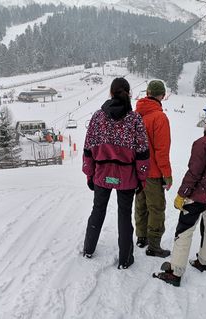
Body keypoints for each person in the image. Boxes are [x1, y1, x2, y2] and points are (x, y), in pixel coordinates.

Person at [153, 101, 206, 286]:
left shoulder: (204, 142)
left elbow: (194, 172)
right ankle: (205, 261)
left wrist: (182, 194)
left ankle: (175, 272)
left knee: (184, 231)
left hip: (198, 195)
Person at [82, 77, 150, 269]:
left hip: (102, 173)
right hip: (127, 175)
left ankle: (88, 249)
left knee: (98, 210)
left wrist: (90, 174)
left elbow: (88, 148)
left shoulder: (97, 117)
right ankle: (125, 258)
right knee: (124, 214)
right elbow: (142, 152)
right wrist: (142, 178)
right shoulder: (135, 119)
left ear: (111, 93)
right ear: (128, 93)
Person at [135, 80, 172, 258]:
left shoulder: (136, 114)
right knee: (156, 207)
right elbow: (161, 150)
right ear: (162, 95)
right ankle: (154, 245)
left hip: (137, 171)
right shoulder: (159, 117)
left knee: (141, 203)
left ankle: (141, 237)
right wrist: (167, 174)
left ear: (148, 93)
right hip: (153, 172)